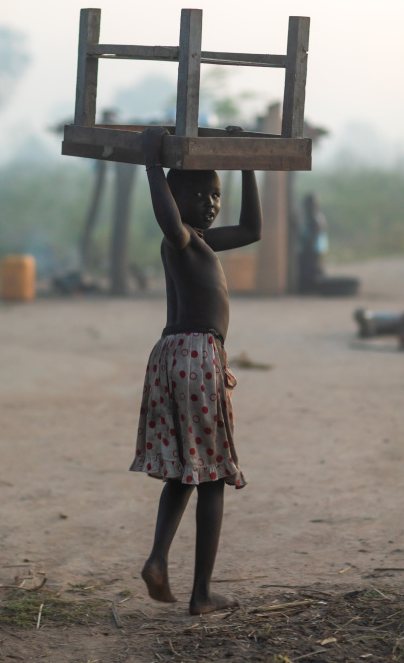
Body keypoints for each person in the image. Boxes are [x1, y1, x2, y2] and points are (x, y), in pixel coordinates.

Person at [129, 126, 262, 615]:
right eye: (199, 194)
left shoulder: (203, 240)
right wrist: (151, 165)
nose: (210, 203)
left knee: (188, 470)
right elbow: (169, 221)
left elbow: (252, 231)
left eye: (215, 195)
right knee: (211, 478)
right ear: (174, 196)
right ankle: (202, 593)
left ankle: (160, 560)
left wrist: (249, 164)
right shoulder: (181, 240)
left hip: (175, 356)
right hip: (195, 356)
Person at [298, 193, 328, 293]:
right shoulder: (316, 217)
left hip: (312, 251)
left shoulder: (314, 219)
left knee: (311, 272)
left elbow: (311, 240)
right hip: (317, 249)